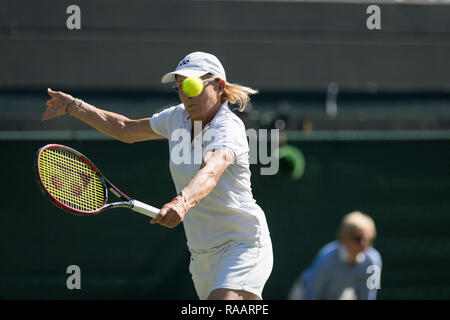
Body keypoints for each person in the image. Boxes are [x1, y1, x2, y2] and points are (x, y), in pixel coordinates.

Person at [42, 51, 273, 300]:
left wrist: (181, 202)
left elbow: (212, 170)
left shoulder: (228, 128)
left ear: (218, 86)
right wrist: (73, 106)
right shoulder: (176, 118)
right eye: (180, 87)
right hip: (201, 254)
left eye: (193, 85)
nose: (186, 94)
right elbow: (126, 129)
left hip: (242, 244)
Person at [288, 211, 382, 300]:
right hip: (304, 293)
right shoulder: (327, 257)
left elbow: (369, 296)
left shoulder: (374, 261)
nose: (363, 244)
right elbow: (312, 294)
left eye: (369, 239)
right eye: (358, 238)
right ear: (344, 237)